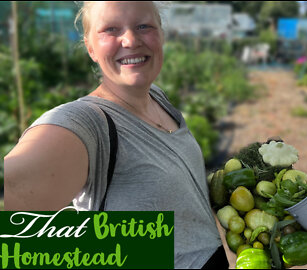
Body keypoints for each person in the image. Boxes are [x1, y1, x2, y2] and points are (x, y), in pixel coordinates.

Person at [4, 2, 228, 269]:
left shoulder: (157, 98)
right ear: (90, 48)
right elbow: (14, 235)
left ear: (161, 35)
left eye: (144, 26)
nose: (131, 40)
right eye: (110, 29)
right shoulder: (87, 122)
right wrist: (135, 251)